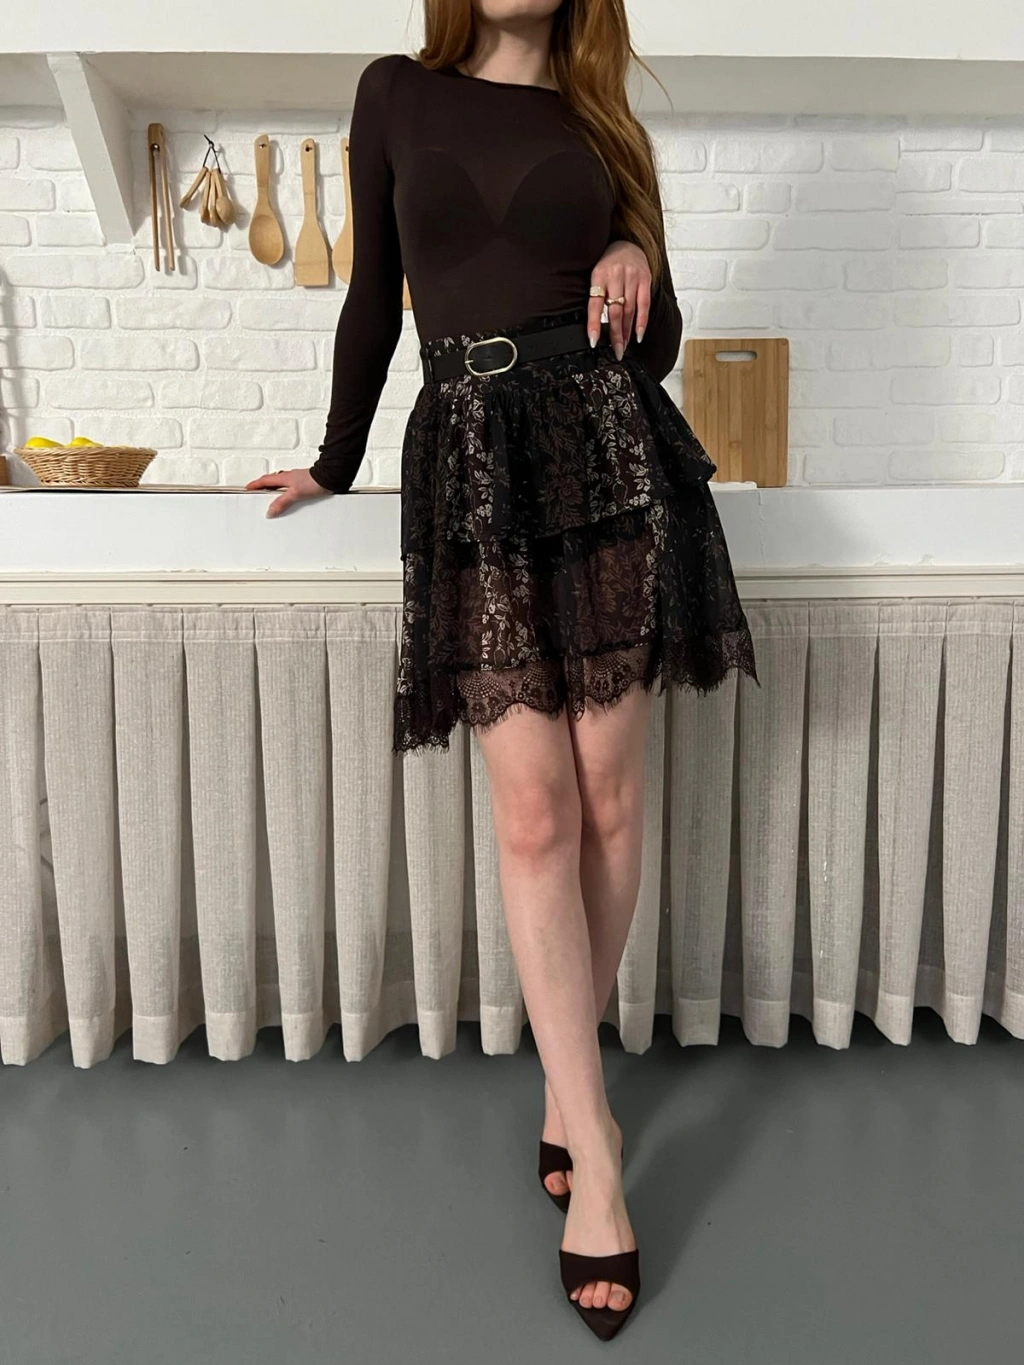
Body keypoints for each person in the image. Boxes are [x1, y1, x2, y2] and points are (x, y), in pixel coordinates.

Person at [247, 0, 759, 1340]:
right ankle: (599, 1157)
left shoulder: (604, 124)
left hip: (600, 450)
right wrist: (336, 459)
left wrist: (637, 253)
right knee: (533, 814)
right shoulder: (395, 93)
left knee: (610, 805)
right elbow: (374, 295)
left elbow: (654, 342)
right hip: (469, 457)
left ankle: (565, 1095)